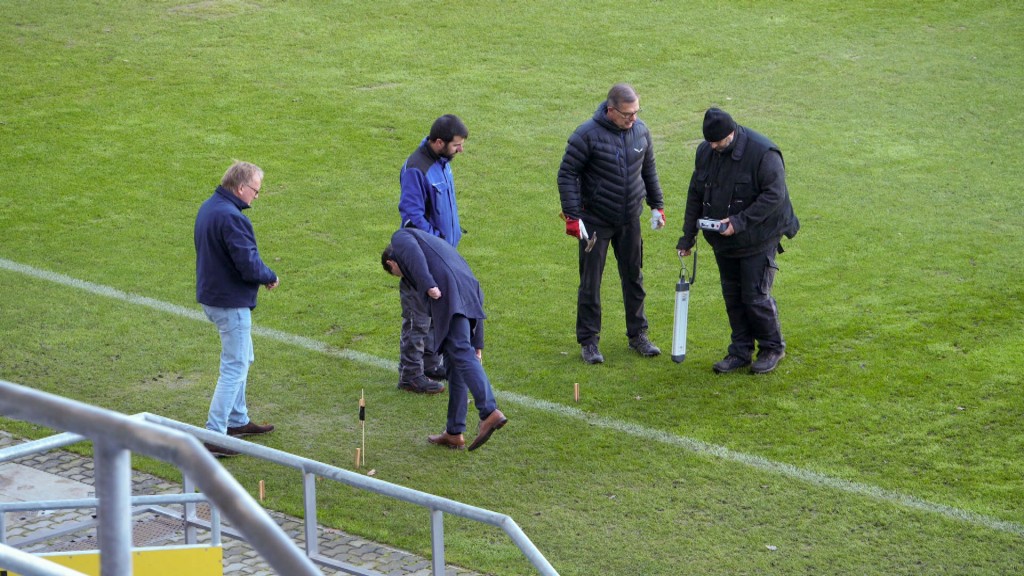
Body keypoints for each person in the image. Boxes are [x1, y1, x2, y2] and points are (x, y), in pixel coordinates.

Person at [676, 108, 800, 374]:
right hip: (724, 241)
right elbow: (696, 193)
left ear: (731, 133)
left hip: (760, 236)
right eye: (709, 142)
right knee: (732, 296)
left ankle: (772, 347)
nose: (713, 147)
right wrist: (688, 237)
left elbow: (774, 196)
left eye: (718, 142)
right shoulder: (706, 152)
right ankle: (740, 351)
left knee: (754, 296)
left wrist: (739, 222)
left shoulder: (763, 154)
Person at [557, 83, 666, 365]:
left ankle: (638, 334)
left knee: (634, 277)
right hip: (596, 220)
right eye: (627, 114)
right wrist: (572, 215)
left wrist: (657, 206)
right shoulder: (586, 135)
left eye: (636, 113)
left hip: (630, 218)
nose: (633, 119)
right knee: (591, 283)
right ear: (610, 111)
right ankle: (589, 342)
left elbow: (648, 169)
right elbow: (567, 174)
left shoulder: (640, 131)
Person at [381, 228, 507, 451]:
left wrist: (428, 285)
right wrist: (478, 342)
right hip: (469, 292)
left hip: (450, 295)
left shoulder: (400, 238)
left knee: (459, 352)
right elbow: (474, 287)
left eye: (397, 274)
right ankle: (454, 432)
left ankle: (489, 411)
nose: (404, 277)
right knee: (455, 363)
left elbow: (413, 254)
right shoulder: (441, 249)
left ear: (391, 263)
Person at [194, 161, 279, 457]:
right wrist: (269, 276)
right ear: (241, 187)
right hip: (229, 302)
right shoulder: (232, 218)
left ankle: (237, 420)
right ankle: (216, 434)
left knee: (243, 357)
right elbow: (247, 263)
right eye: (255, 190)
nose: (256, 196)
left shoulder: (210, 207)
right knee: (234, 366)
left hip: (213, 296)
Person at [395, 114, 469, 394]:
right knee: (418, 314)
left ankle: (430, 363)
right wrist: (437, 242)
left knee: (437, 312)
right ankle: (410, 374)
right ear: (439, 142)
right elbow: (412, 216)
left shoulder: (442, 162)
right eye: (457, 145)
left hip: (442, 253)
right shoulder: (417, 168)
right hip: (423, 255)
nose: (460, 150)